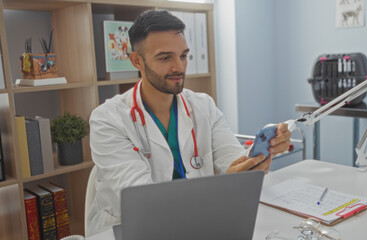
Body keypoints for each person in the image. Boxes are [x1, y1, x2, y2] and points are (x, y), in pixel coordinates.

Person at [86, 10, 292, 236]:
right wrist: (224, 190)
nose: (179, 67)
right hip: (134, 231)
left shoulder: (203, 106)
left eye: (183, 55)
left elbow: (233, 161)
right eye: (165, 58)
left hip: (199, 223)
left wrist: (261, 155)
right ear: (137, 61)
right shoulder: (107, 119)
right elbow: (145, 202)